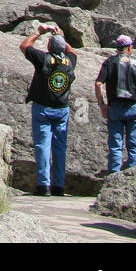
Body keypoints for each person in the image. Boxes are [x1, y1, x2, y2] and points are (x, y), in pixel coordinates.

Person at [21, 24, 78, 196]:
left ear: (49, 47)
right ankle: (59, 185)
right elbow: (73, 52)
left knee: (42, 146)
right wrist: (61, 36)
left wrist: (38, 32)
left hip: (43, 108)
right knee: (60, 147)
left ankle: (43, 185)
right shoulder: (70, 62)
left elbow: (24, 46)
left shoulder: (43, 59)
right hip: (62, 109)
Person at [95, 34, 136, 173]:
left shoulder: (110, 62)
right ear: (130, 47)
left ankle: (113, 177)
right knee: (134, 146)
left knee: (115, 146)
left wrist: (102, 105)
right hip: (134, 107)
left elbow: (98, 83)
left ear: (117, 48)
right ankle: (135, 180)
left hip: (116, 107)